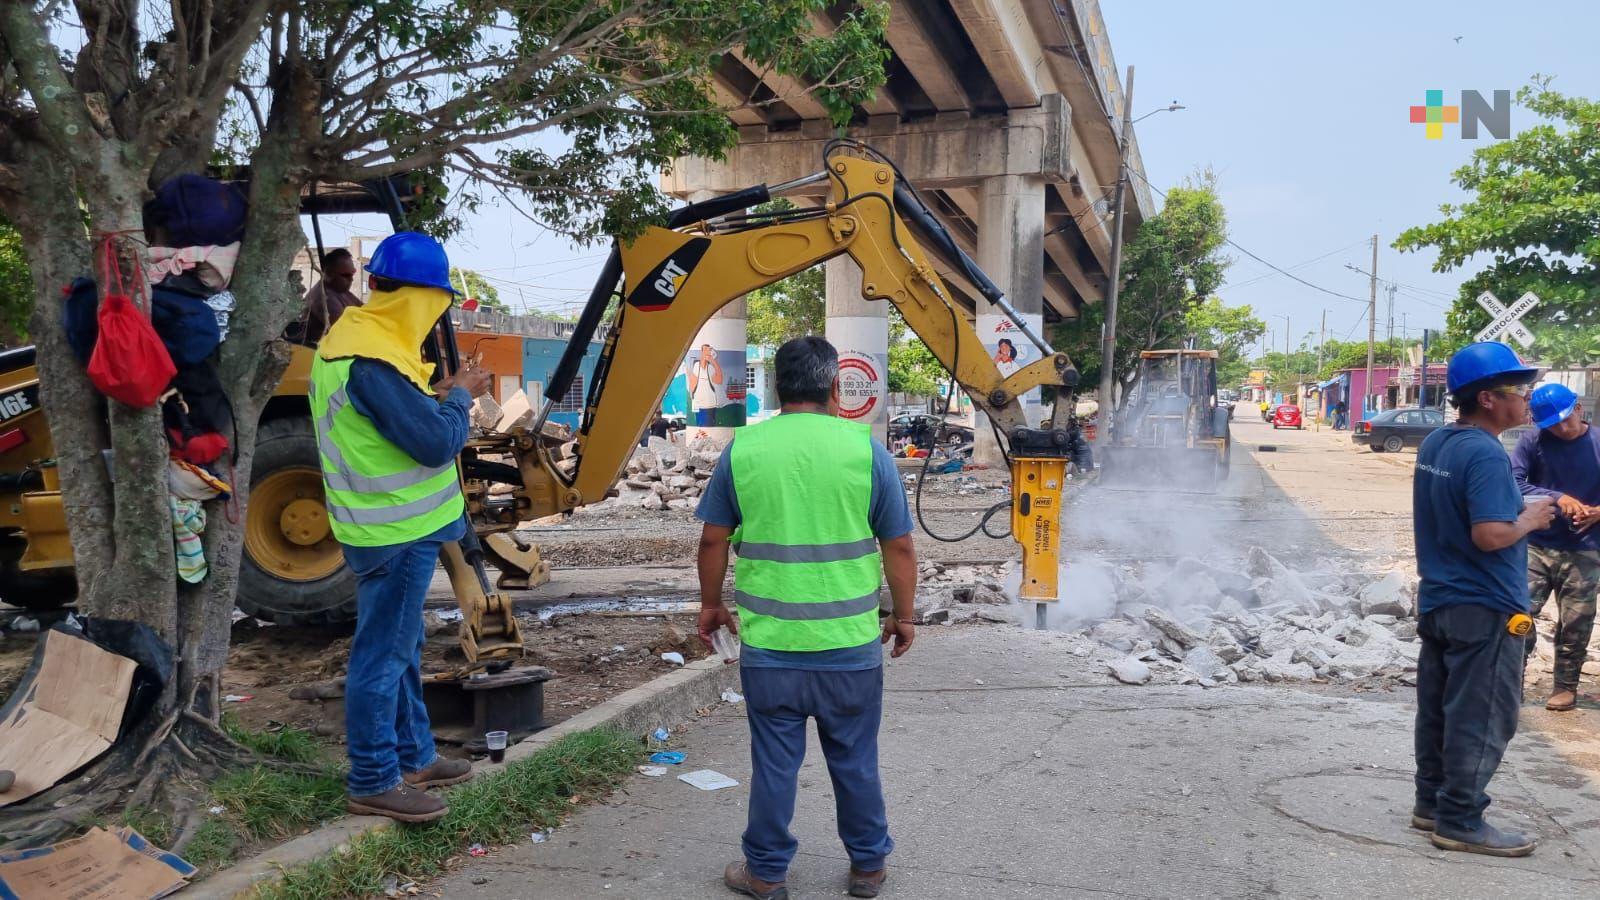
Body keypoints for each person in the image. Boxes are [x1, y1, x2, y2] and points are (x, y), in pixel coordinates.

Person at [696, 336, 917, 900]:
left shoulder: (743, 451)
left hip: (772, 648)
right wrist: (905, 616)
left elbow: (712, 540)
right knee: (855, 759)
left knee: (774, 763)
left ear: (776, 386)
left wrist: (712, 605)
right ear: (836, 387)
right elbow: (899, 548)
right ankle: (868, 867)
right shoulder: (866, 452)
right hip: (849, 645)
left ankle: (766, 873)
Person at [311, 232, 491, 823]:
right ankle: (372, 778)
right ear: (422, 296)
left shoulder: (367, 342)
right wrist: (460, 397)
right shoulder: (373, 357)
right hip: (393, 532)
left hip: (395, 527)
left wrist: (441, 393)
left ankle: (414, 756)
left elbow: (395, 422)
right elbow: (436, 442)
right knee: (382, 657)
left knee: (402, 648)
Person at [1412, 341, 1555, 857]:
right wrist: (1532, 518)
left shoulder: (1437, 445)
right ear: (1489, 399)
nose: (1527, 399)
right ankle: (1460, 819)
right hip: (1486, 607)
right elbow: (1491, 535)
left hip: (1441, 600)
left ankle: (1430, 803)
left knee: (1438, 710)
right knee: (1483, 713)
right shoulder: (1485, 454)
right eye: (1519, 390)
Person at [1512, 383, 1600, 711]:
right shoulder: (1532, 441)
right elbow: (1514, 481)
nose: (1562, 429)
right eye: (1553, 425)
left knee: (1577, 621)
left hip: (1585, 548)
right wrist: (1558, 498)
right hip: (1537, 544)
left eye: (1567, 420)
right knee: (1517, 613)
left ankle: (1565, 686)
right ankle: (1511, 680)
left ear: (1578, 409)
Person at [302, 248, 362, 343]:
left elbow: (366, 311)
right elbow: (347, 331)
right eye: (346, 275)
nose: (351, 279)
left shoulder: (340, 289)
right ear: (329, 273)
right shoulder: (324, 298)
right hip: (324, 353)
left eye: (352, 274)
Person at [687, 343, 726, 425]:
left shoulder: (710, 368)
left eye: (708, 350)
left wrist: (713, 361)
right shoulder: (696, 366)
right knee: (700, 427)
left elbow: (719, 380)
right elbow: (692, 384)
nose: (706, 352)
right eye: (705, 350)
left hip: (709, 405)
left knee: (708, 428)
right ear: (702, 351)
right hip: (698, 404)